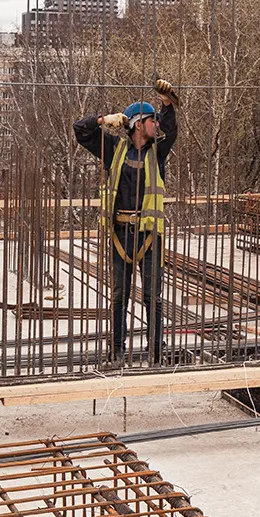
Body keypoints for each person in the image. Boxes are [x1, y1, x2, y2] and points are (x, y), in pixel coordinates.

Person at [74, 79, 180, 366]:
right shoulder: (114, 149)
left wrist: (167, 103)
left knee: (152, 297)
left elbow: (171, 128)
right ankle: (117, 353)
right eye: (151, 121)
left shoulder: (158, 152)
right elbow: (80, 130)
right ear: (136, 124)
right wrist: (102, 119)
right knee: (120, 295)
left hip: (148, 235)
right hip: (120, 233)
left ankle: (156, 354)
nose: (156, 126)